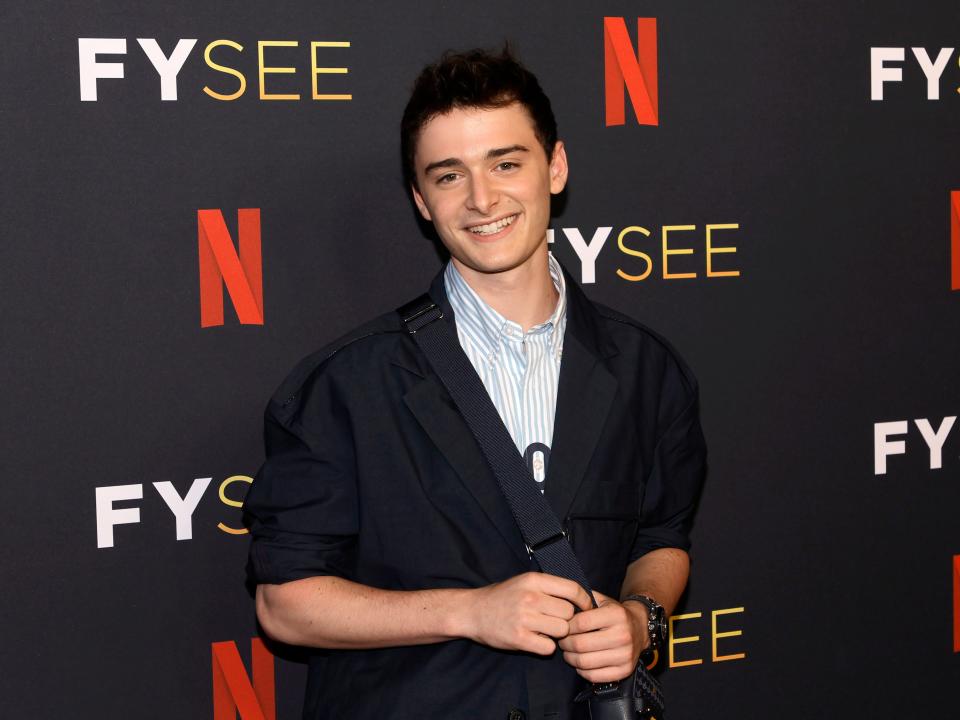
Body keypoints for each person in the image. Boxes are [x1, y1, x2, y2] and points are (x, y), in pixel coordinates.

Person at [244, 47, 706, 720]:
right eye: (449, 175)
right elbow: (283, 605)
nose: (482, 198)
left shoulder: (647, 369)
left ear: (556, 167)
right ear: (421, 201)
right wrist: (469, 611)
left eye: (506, 163)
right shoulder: (344, 385)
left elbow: (661, 537)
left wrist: (640, 618)